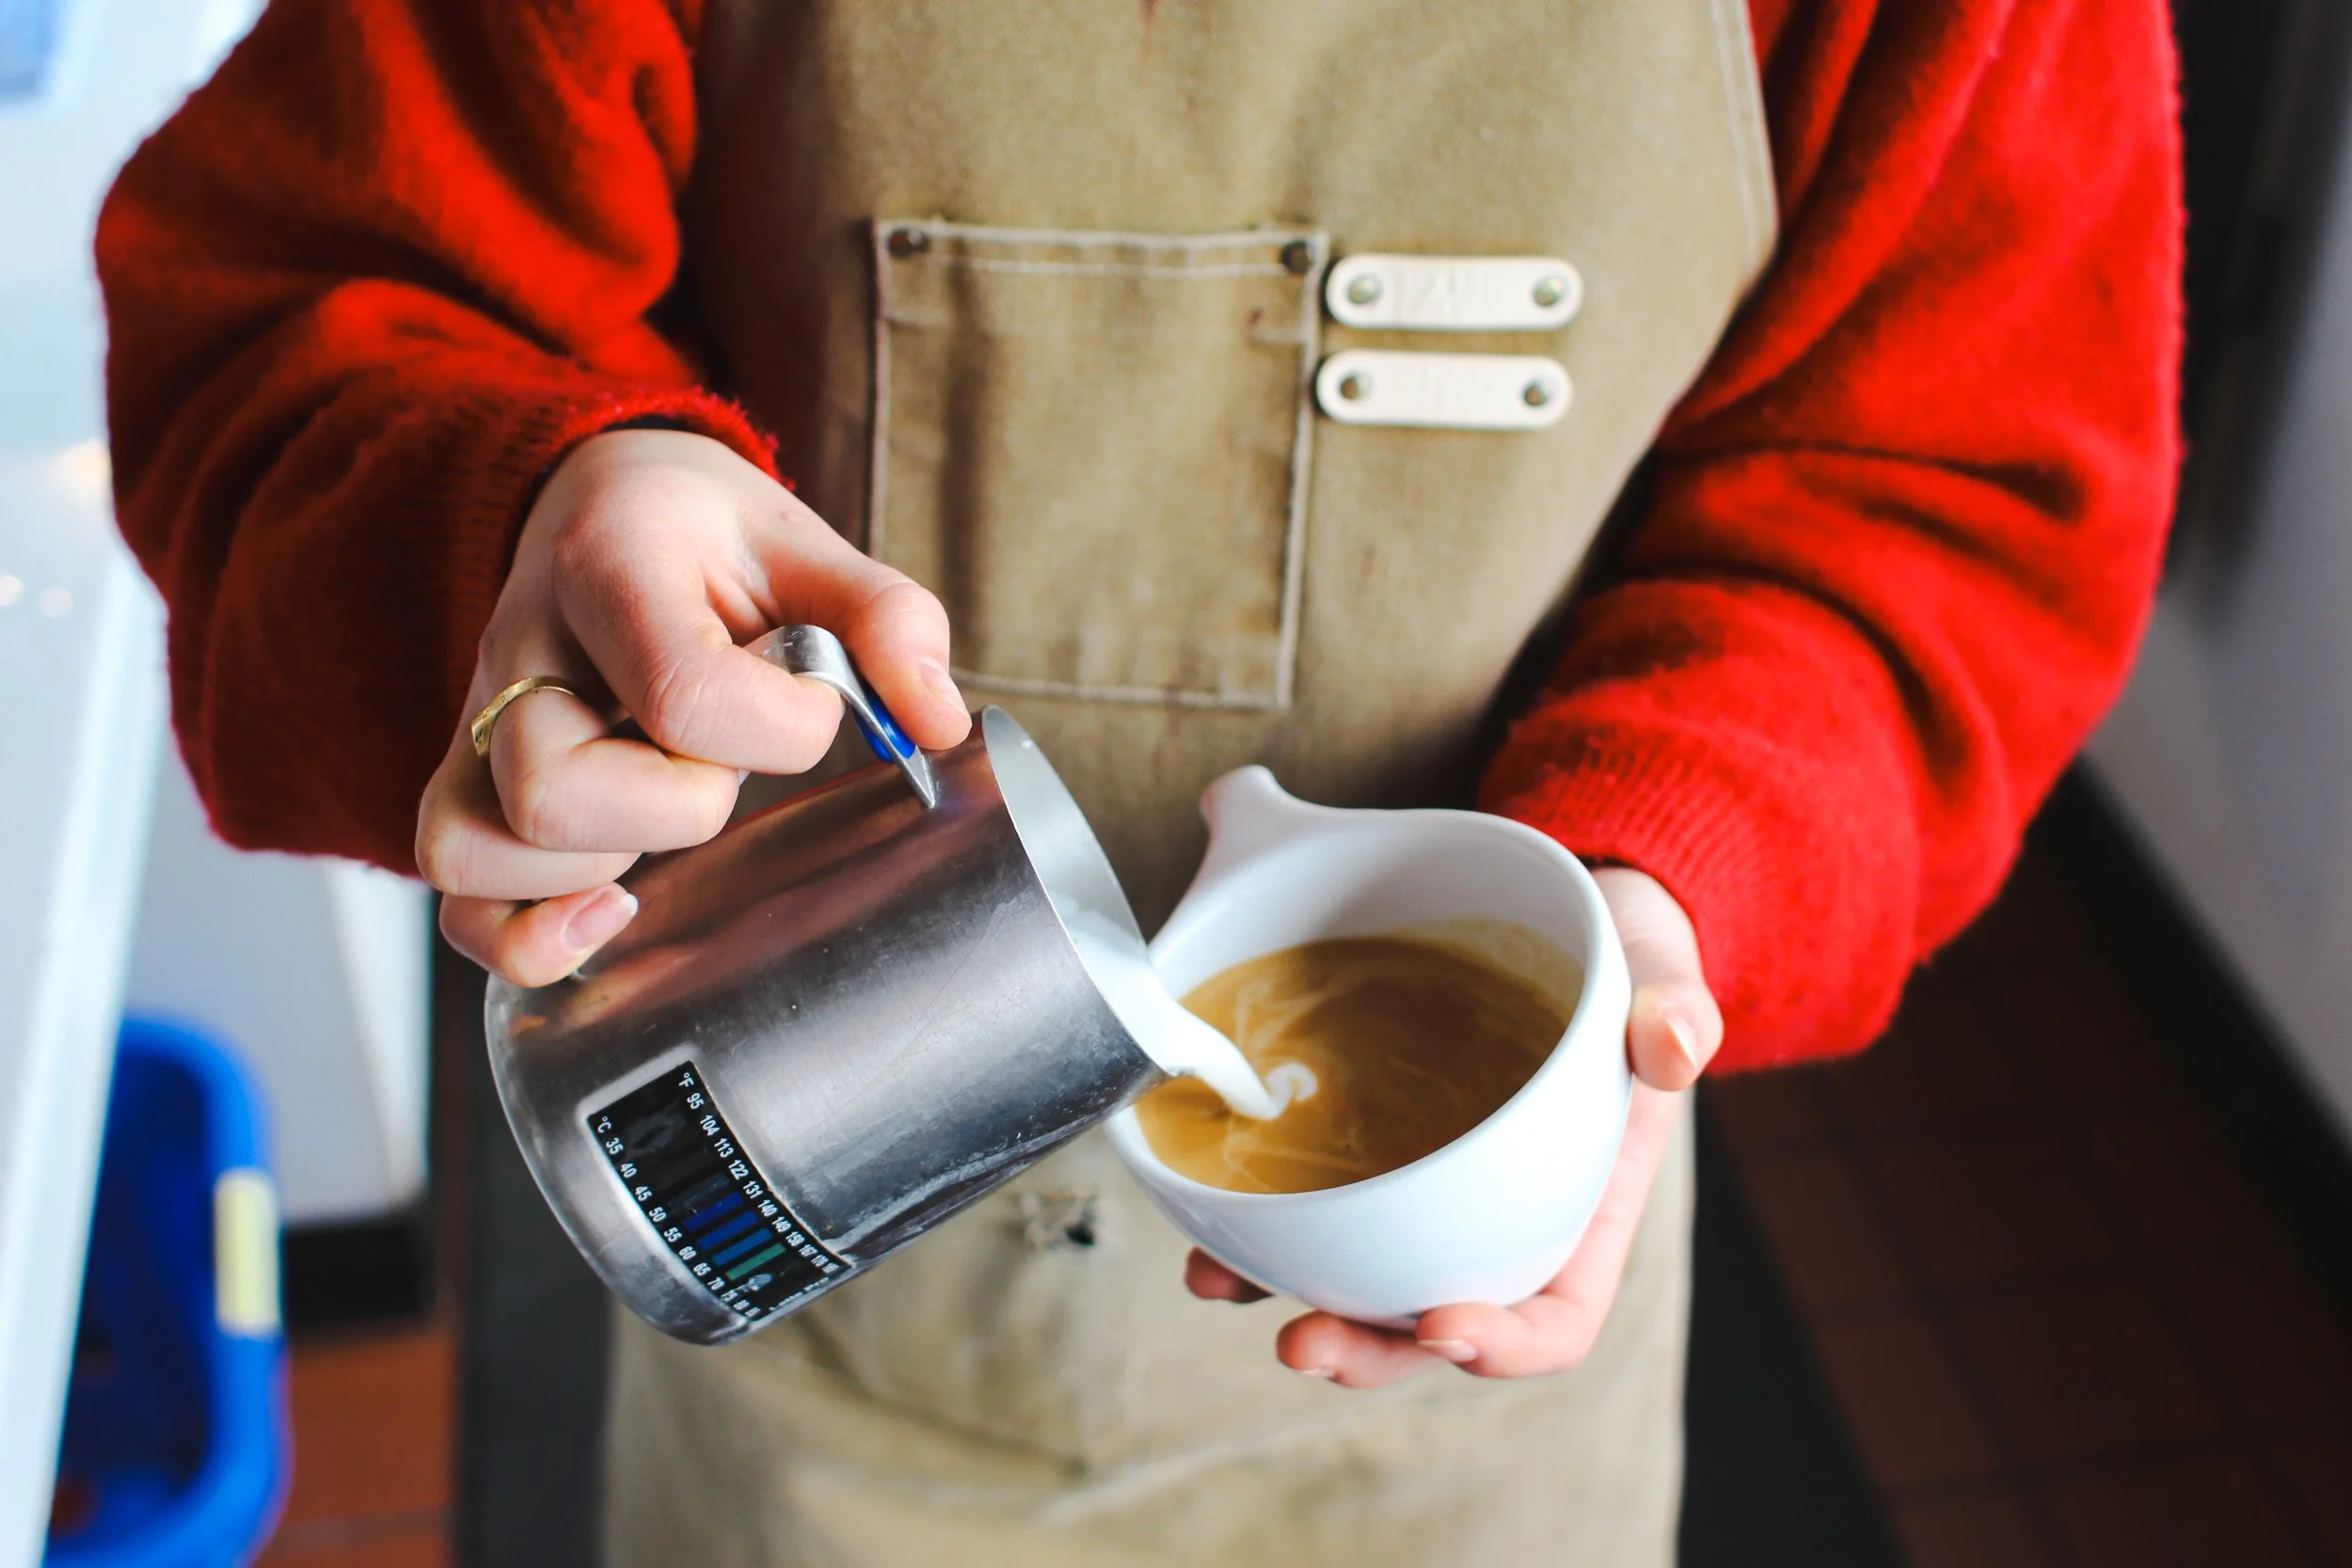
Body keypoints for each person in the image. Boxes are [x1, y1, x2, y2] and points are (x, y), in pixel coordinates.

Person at [96, 0, 2181, 1561]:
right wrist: (525, 507)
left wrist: (1660, 883)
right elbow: (282, 314)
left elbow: (1940, 506)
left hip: (1472, 1430)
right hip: (823, 1375)